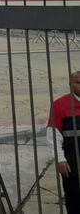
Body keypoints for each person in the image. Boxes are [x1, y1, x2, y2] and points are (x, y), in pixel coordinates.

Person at [48, 71, 80, 213]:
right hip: (72, 163)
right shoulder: (60, 105)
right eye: (77, 82)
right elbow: (53, 134)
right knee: (74, 200)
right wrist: (60, 159)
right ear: (70, 84)